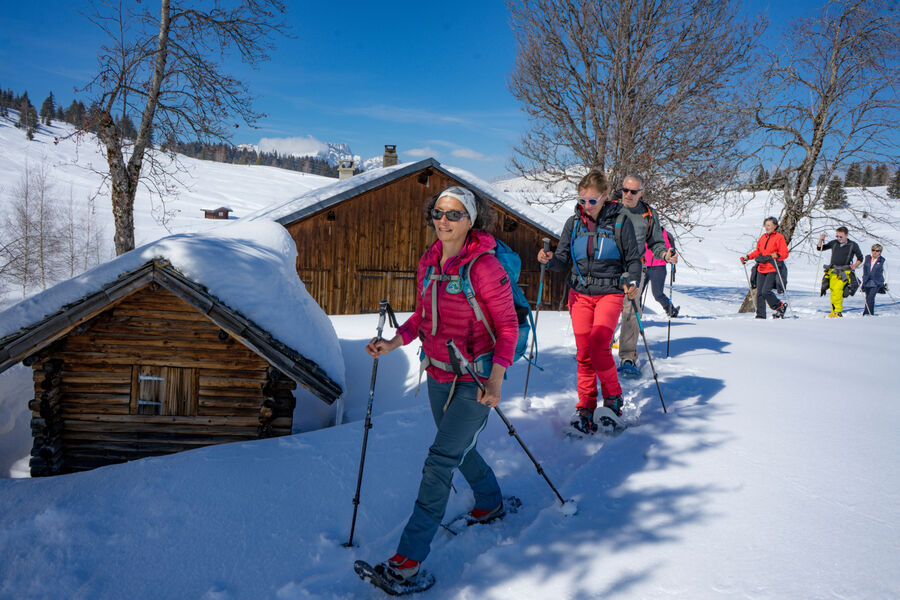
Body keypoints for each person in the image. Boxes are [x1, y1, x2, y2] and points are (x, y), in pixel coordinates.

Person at [363, 185, 518, 587]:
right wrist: (394, 342)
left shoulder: (485, 267)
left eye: (453, 214)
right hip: (437, 373)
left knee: (439, 461)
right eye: (438, 212)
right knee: (458, 451)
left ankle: (407, 561)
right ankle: (490, 502)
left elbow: (507, 325)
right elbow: (422, 315)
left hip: (477, 377)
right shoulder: (428, 261)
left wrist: (496, 380)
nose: (443, 221)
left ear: (470, 220)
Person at [538, 170, 651, 434]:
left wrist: (632, 280)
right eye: (582, 200)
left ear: (604, 197)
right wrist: (548, 259)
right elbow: (562, 260)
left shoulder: (620, 220)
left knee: (599, 346)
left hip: (610, 291)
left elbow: (634, 259)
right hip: (579, 293)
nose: (586, 206)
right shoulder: (573, 223)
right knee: (583, 353)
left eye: (591, 200)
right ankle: (585, 406)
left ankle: (613, 398)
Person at [614, 175, 677, 376]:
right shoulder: (610, 208)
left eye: (633, 191)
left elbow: (656, 242)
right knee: (605, 309)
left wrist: (665, 254)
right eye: (625, 190)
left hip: (634, 268)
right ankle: (598, 349)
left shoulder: (648, 214)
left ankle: (627, 356)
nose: (628, 195)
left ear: (642, 192)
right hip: (609, 267)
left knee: (632, 310)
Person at [740, 217, 789, 319]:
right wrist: (748, 257)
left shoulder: (779, 237)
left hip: (772, 268)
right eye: (765, 225)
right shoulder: (763, 237)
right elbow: (758, 251)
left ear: (775, 226)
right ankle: (761, 315)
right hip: (761, 268)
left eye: (769, 225)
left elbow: (785, 253)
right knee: (759, 293)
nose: (766, 227)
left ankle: (780, 306)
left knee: (766, 291)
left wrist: (777, 255)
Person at [817, 226, 863, 317]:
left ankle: (838, 311)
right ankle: (833, 311)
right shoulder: (834, 243)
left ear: (846, 235)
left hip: (844, 271)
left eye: (840, 236)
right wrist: (821, 240)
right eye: (837, 236)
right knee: (833, 291)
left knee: (838, 290)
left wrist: (855, 266)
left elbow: (860, 258)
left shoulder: (853, 245)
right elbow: (820, 248)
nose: (838, 238)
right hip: (833, 271)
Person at [644, 228, 679, 318]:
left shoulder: (663, 233)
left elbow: (669, 249)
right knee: (637, 293)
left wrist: (670, 255)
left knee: (657, 294)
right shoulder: (641, 230)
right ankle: (636, 314)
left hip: (658, 267)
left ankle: (671, 310)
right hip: (642, 266)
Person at [861, 244, 886, 316]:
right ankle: (869, 312)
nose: (874, 252)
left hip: (876, 282)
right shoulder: (867, 258)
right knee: (867, 297)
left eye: (877, 251)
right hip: (867, 281)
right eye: (873, 250)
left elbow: (886, 272)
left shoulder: (882, 261)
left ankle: (867, 313)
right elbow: (860, 265)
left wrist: (886, 283)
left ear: (880, 252)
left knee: (870, 297)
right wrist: (853, 266)